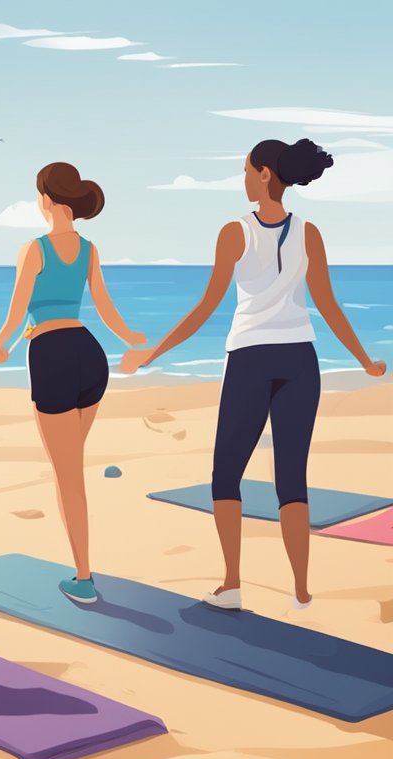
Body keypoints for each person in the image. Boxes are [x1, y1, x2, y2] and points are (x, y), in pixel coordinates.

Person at [122, 139, 386, 609]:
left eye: (246, 170)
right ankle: (301, 589)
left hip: (251, 359)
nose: (243, 179)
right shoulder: (309, 232)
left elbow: (207, 306)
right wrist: (364, 360)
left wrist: (154, 353)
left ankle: (232, 584)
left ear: (265, 173)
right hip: (300, 361)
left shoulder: (234, 232)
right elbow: (327, 305)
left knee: (226, 476)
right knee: (292, 479)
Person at [0, 163, 146, 604]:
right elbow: (105, 309)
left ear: (47, 200)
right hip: (89, 356)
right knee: (70, 469)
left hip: (52, 359)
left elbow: (18, 313)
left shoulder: (33, 249)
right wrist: (134, 340)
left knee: (69, 476)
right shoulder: (89, 248)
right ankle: (82, 570)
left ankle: (84, 578)